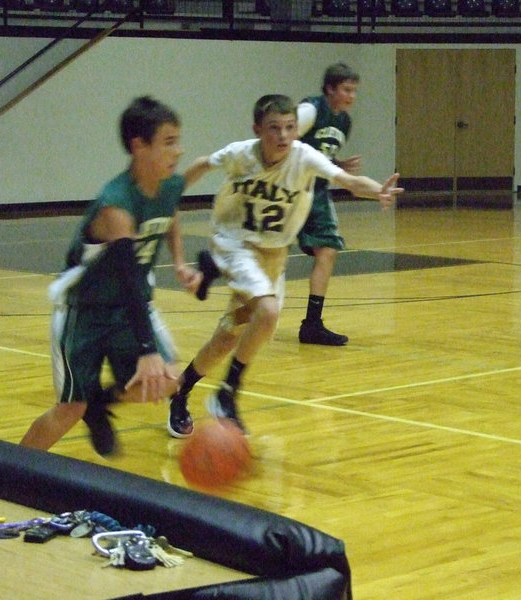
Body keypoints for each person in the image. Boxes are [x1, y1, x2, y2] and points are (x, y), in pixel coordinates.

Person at [166, 94, 402, 438]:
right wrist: (169, 193)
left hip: (274, 256)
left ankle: (180, 389)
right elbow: (204, 163)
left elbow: (348, 181)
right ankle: (227, 395)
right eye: (274, 128)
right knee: (269, 311)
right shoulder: (241, 154)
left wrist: (377, 190)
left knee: (227, 339)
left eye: (290, 127)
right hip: (237, 243)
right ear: (258, 130)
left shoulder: (304, 157)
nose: (283, 135)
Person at [21, 96, 201, 456]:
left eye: (178, 142)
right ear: (139, 146)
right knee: (70, 409)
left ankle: (100, 402)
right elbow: (128, 277)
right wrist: (147, 350)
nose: (178, 151)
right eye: (168, 142)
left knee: (167, 381)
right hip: (84, 312)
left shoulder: (167, 186)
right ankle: (8, 471)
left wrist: (180, 261)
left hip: (125, 309)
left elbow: (170, 213)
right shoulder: (115, 204)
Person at [295, 63, 363, 346]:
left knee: (328, 249)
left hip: (317, 191)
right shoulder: (310, 111)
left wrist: (338, 164)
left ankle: (312, 323)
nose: (352, 96)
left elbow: (319, 155)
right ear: (330, 89)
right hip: (290, 188)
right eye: (347, 90)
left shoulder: (344, 122)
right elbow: (281, 142)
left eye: (354, 91)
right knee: (263, 249)